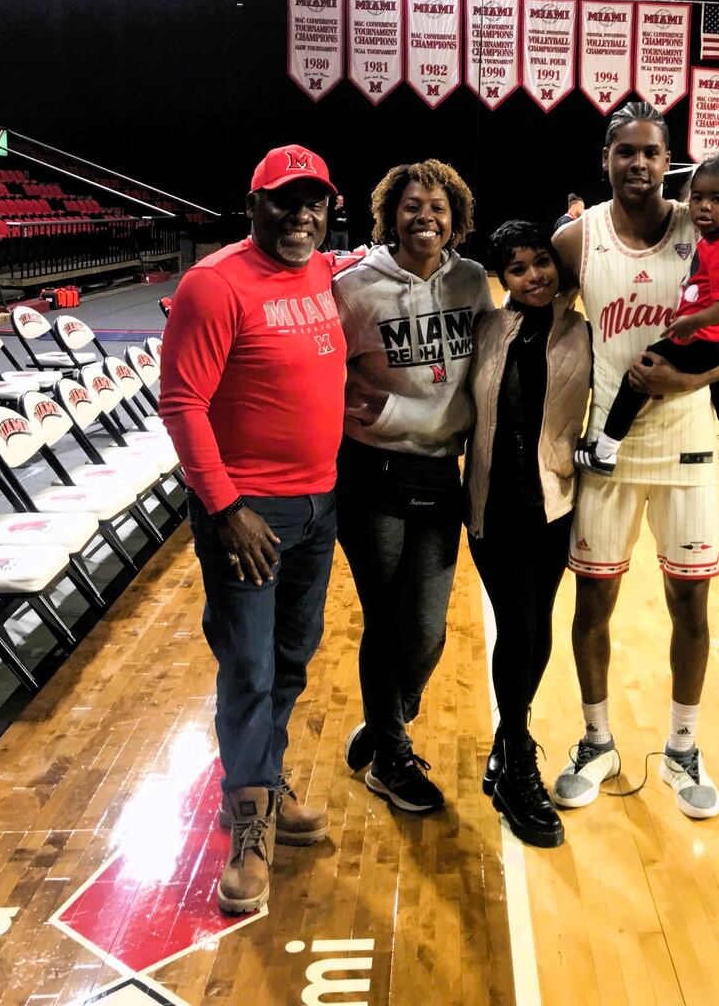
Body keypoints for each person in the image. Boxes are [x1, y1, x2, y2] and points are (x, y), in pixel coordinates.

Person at [548, 102, 719, 821]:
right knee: (593, 603)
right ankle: (597, 738)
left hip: (690, 447)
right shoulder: (577, 241)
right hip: (608, 452)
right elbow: (539, 333)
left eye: (652, 153)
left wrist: (693, 379)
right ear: (605, 158)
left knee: (690, 602)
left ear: (670, 160)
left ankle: (682, 746)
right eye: (625, 152)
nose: (639, 163)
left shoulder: (701, 227)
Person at [158, 143, 345, 914]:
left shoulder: (326, 273)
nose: (301, 215)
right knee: (248, 668)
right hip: (249, 514)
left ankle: (264, 778)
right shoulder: (214, 284)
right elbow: (182, 403)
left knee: (294, 659)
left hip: (319, 505)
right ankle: (249, 825)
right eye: (284, 201)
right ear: (253, 203)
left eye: (315, 202)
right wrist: (227, 507)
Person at [332, 159, 494, 813]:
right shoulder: (354, 288)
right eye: (411, 206)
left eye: (438, 207)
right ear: (389, 215)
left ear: (455, 218)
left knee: (425, 628)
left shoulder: (474, 282)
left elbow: (485, 369)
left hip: (441, 472)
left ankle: (384, 724)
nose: (425, 216)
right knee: (386, 618)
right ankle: (392, 759)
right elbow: (323, 374)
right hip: (373, 471)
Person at [464, 220, 591, 847]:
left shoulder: (583, 333)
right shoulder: (483, 330)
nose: (534, 275)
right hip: (492, 507)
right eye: (517, 268)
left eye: (541, 261)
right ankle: (517, 762)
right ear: (502, 279)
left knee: (536, 625)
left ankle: (507, 739)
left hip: (555, 506)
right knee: (518, 625)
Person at [575, 151, 719, 473]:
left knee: (637, 375)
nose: (703, 206)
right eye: (697, 198)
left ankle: (605, 451)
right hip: (716, 342)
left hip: (703, 338)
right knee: (718, 380)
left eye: (716, 199)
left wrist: (691, 322)